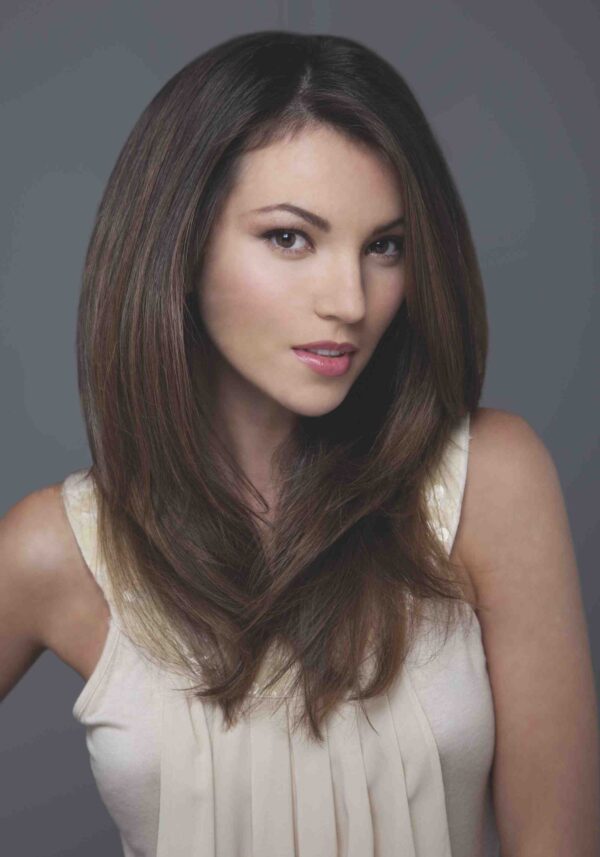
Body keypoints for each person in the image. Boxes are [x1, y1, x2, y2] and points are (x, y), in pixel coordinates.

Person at [1, 29, 598, 857]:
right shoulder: (60, 550)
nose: (350, 300)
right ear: (180, 243)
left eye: (385, 246)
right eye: (290, 237)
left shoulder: (488, 483)